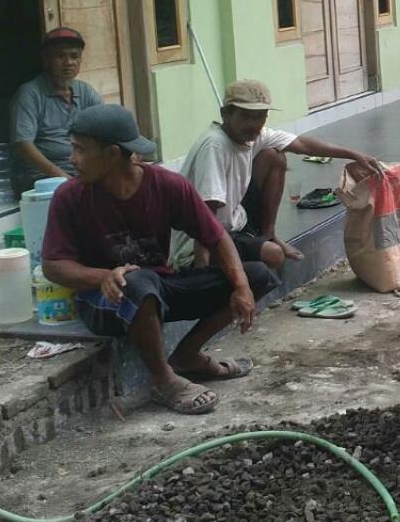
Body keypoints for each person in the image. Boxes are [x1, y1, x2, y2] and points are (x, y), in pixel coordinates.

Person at [41, 104, 277, 415]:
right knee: (137, 282)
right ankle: (164, 380)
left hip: (157, 288)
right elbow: (53, 265)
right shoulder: (69, 197)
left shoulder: (165, 185)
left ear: (112, 154)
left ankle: (187, 357)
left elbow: (216, 237)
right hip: (104, 300)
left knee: (257, 274)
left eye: (80, 150)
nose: (72, 159)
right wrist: (101, 276)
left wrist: (242, 287)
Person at [171, 79, 381, 272]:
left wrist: (354, 154)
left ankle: (268, 234)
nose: (254, 124)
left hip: (234, 222)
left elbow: (302, 145)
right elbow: (205, 214)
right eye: (246, 116)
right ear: (226, 114)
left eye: (260, 116)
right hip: (204, 240)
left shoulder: (253, 136)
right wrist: (202, 270)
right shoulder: (215, 145)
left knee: (274, 156)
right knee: (274, 256)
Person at [9, 27, 103, 193]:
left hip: (80, 170)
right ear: (46, 60)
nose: (69, 62)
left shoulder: (85, 91)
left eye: (74, 56)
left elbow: (107, 126)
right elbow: (22, 144)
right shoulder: (29, 93)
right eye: (61, 56)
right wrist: (62, 177)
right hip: (41, 176)